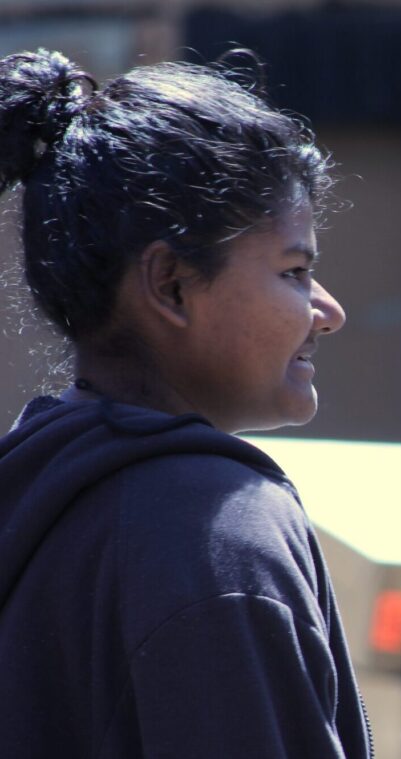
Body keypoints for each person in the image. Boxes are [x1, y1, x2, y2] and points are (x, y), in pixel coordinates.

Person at [0, 50, 371, 757]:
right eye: (295, 271)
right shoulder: (221, 534)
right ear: (170, 285)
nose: (328, 311)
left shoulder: (35, 490)